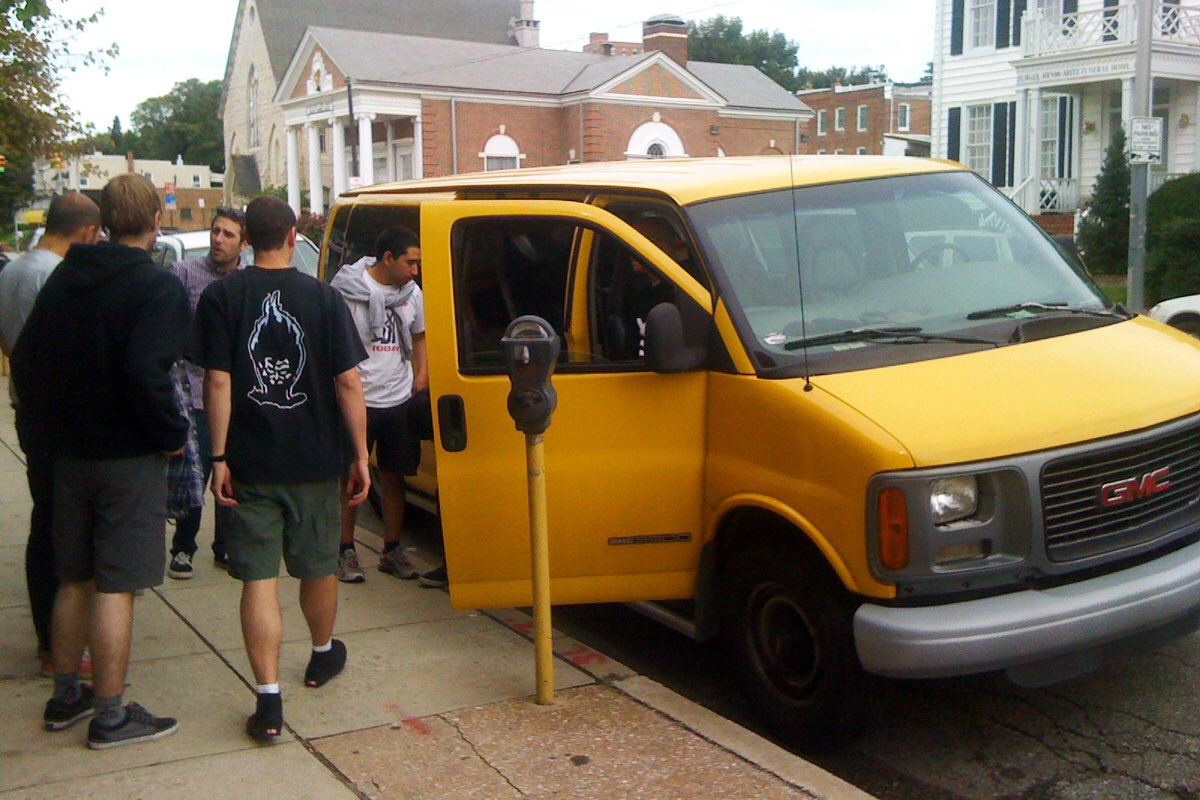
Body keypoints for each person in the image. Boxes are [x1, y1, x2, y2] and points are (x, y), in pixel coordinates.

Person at [12, 174, 189, 749]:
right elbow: (146, 372)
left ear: (105, 222)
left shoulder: (66, 276)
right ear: (156, 220)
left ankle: (66, 694)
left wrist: (44, 431)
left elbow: (26, 358)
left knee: (75, 577)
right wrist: (171, 434)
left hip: (67, 454)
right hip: (126, 457)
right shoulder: (156, 286)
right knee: (118, 584)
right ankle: (110, 715)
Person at [193, 196, 370, 741]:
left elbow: (217, 380)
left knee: (258, 579)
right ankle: (322, 653)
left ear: (246, 238)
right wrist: (360, 455)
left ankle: (268, 699)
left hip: (249, 463)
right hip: (314, 460)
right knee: (318, 565)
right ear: (294, 236)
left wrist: (217, 457)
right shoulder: (324, 297)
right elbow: (348, 382)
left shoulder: (222, 296)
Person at [0, 193, 101, 678]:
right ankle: (58, 647)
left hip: (27, 408)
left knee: (45, 519)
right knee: (62, 530)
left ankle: (49, 640)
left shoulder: (12, 271)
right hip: (58, 415)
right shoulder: (55, 276)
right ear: (86, 232)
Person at [330, 226, 428, 583]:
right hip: (358, 398)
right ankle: (345, 550)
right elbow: (333, 343)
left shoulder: (411, 294)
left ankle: (392, 549)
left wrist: (421, 374)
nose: (415, 271)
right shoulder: (348, 290)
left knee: (394, 475)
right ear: (388, 258)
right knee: (351, 477)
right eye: (410, 262)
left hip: (398, 397)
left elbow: (419, 336)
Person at [166, 208, 246, 579]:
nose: (218, 239)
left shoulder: (247, 282)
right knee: (195, 476)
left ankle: (225, 545)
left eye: (228, 234)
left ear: (243, 242)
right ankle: (183, 547)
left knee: (229, 474)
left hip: (234, 397)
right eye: (216, 231)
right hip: (194, 393)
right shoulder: (184, 274)